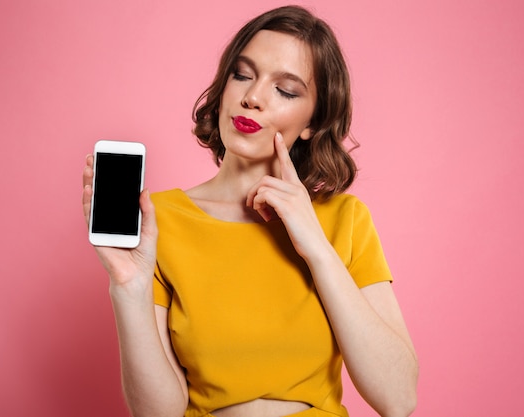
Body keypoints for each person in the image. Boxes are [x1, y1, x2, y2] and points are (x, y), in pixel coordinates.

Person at [82, 5, 418, 417]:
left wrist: (314, 244)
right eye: (242, 74)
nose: (252, 98)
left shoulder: (344, 220)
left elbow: (399, 398)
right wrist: (129, 290)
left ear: (313, 121)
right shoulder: (159, 219)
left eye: (286, 90)